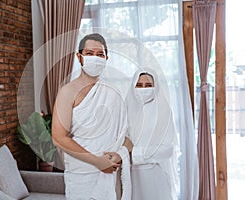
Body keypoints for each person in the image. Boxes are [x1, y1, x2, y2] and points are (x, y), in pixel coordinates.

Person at [51, 33, 131, 200]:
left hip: (109, 171)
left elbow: (127, 137)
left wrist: (119, 156)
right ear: (79, 57)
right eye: (89, 53)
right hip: (81, 172)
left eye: (100, 54)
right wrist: (97, 162)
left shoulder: (114, 93)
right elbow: (58, 138)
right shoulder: (67, 92)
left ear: (106, 58)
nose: (95, 58)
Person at [125, 70, 179, 200]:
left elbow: (167, 149)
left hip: (155, 175)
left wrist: (135, 152)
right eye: (139, 85)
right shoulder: (126, 110)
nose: (143, 89)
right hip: (129, 176)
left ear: (156, 87)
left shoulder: (163, 112)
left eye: (148, 85)